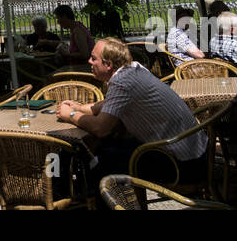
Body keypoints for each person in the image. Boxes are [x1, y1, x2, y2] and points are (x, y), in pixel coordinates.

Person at [56, 38, 206, 189]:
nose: (89, 61)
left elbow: (101, 128)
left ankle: (100, 200)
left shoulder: (121, 82)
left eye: (94, 58)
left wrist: (70, 115)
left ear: (108, 65)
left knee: (102, 162)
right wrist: (80, 108)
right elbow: (109, 104)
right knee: (106, 147)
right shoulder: (134, 69)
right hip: (196, 154)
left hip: (182, 166)